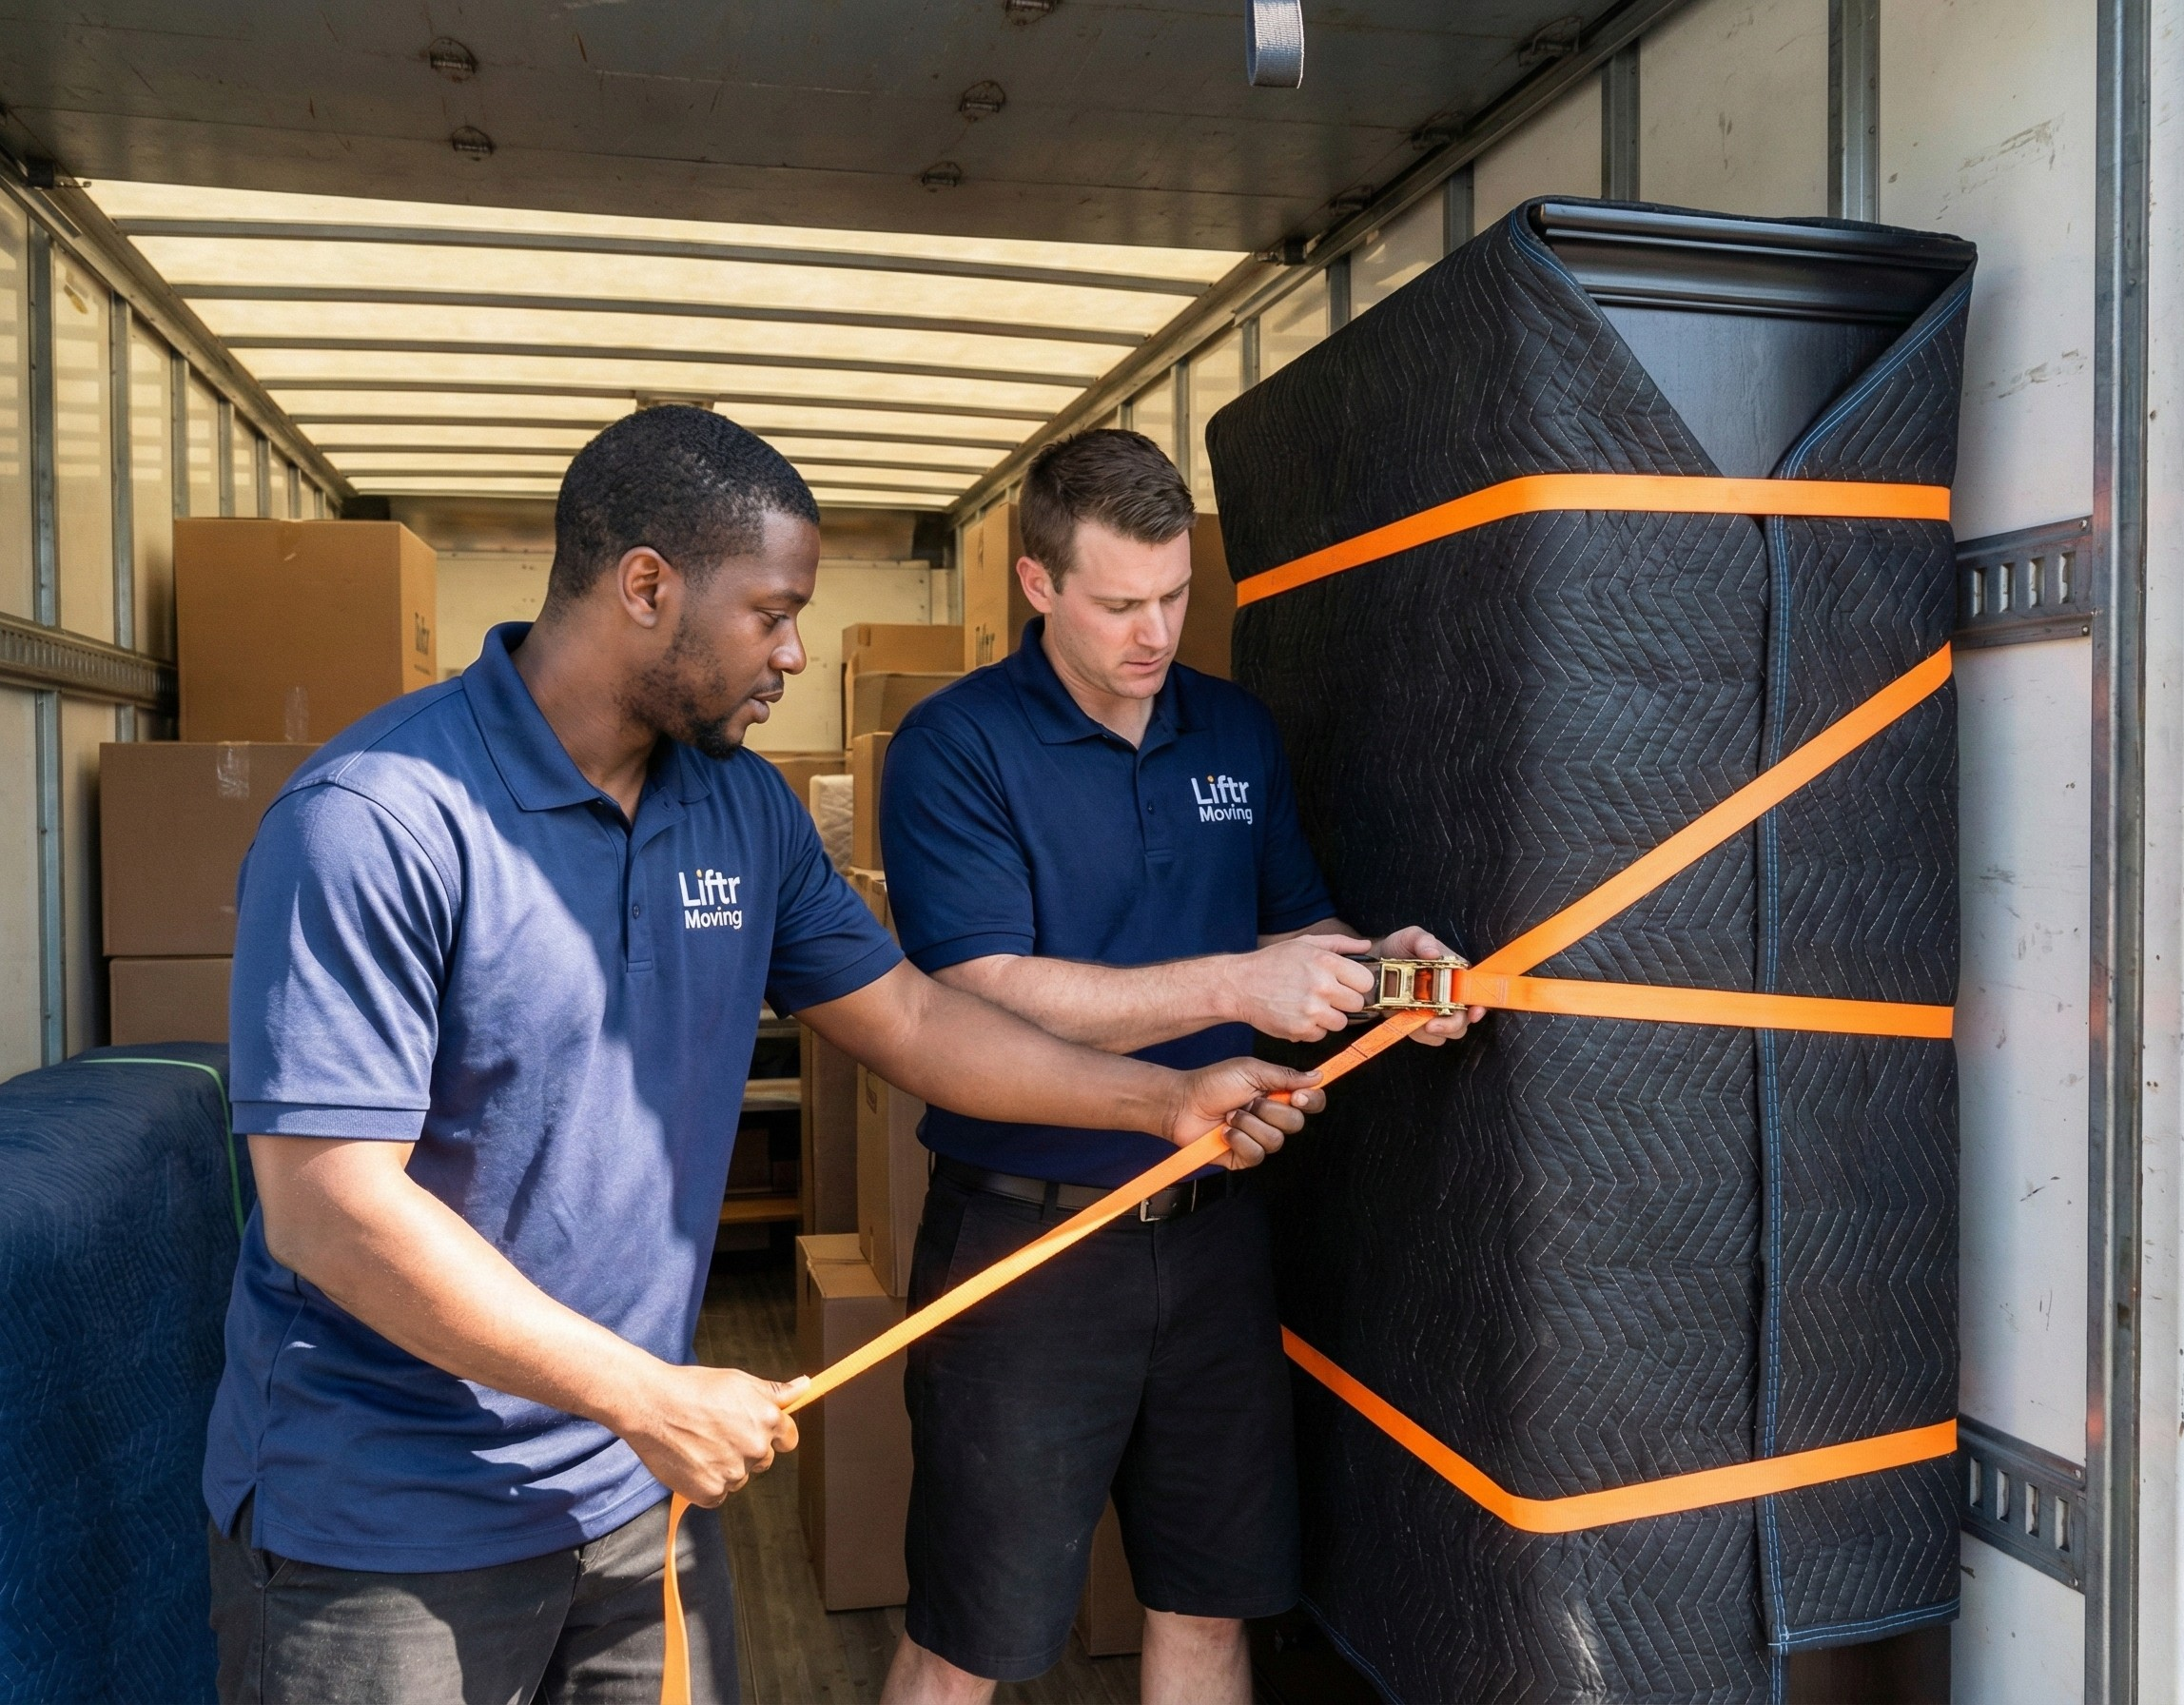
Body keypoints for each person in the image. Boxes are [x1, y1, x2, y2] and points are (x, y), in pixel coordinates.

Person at [202, 406, 1324, 1705]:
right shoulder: (380, 820)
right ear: (645, 588)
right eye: (771, 613)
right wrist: (644, 1394)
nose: (796, 652)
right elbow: (329, 1207)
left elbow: (907, 1019)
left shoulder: (740, 807)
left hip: (637, 1509)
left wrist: (1168, 1099)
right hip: (387, 1528)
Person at [877, 428, 1481, 1705]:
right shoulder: (956, 747)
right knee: (964, 1643)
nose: (1154, 632)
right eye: (1118, 604)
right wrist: (1230, 985)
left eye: (1174, 596)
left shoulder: (1235, 734)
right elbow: (978, 994)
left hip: (1214, 1239)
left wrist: (1383, 974)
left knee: (1211, 1608)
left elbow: (1296, 930)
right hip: (1024, 1249)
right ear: (1040, 585)